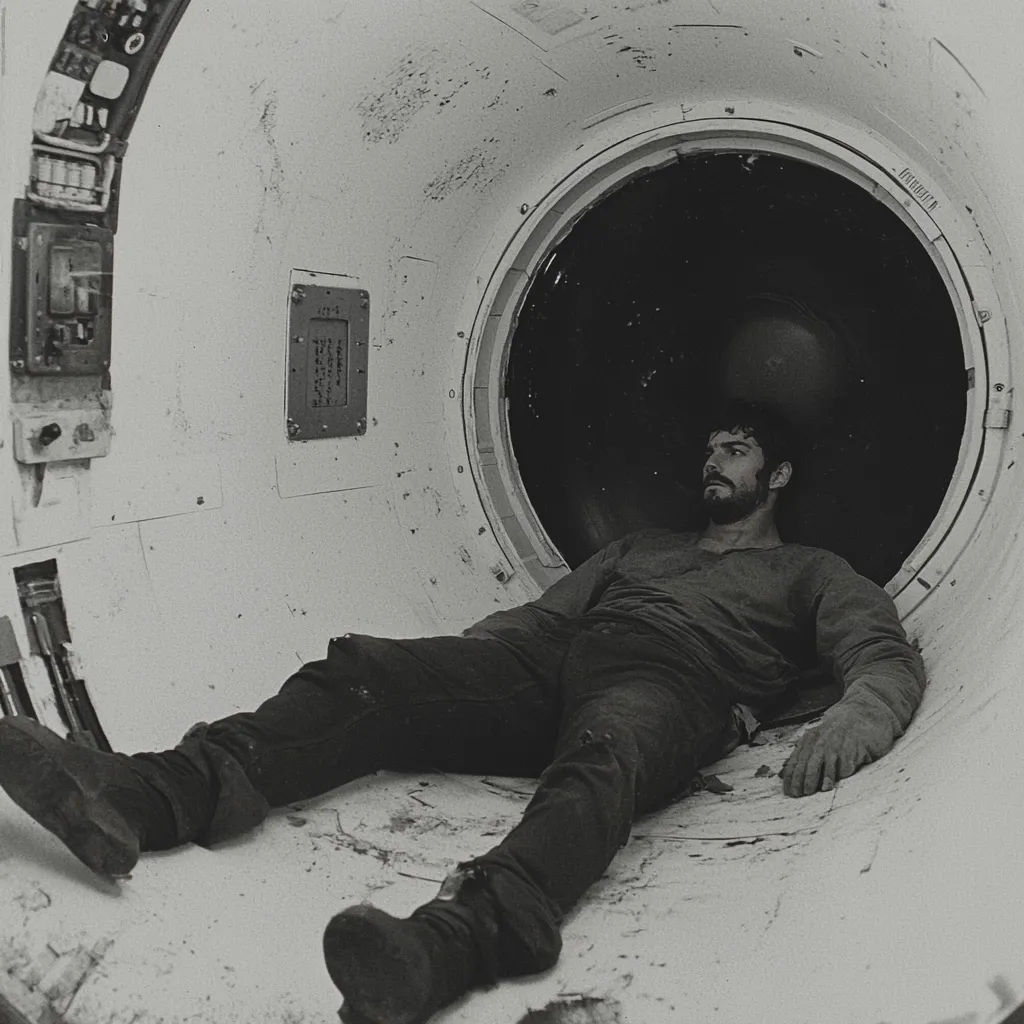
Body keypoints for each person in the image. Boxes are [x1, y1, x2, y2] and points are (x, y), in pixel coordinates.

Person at [0, 401, 926, 1024]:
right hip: (551, 660)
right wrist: (451, 672)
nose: (713, 462)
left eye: (736, 450)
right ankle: (143, 798)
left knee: (607, 750)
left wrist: (857, 719)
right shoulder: (643, 547)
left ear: (779, 474)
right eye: (712, 448)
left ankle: (452, 945)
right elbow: (537, 621)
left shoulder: (810, 573)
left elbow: (880, 655)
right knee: (367, 672)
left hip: (676, 679)